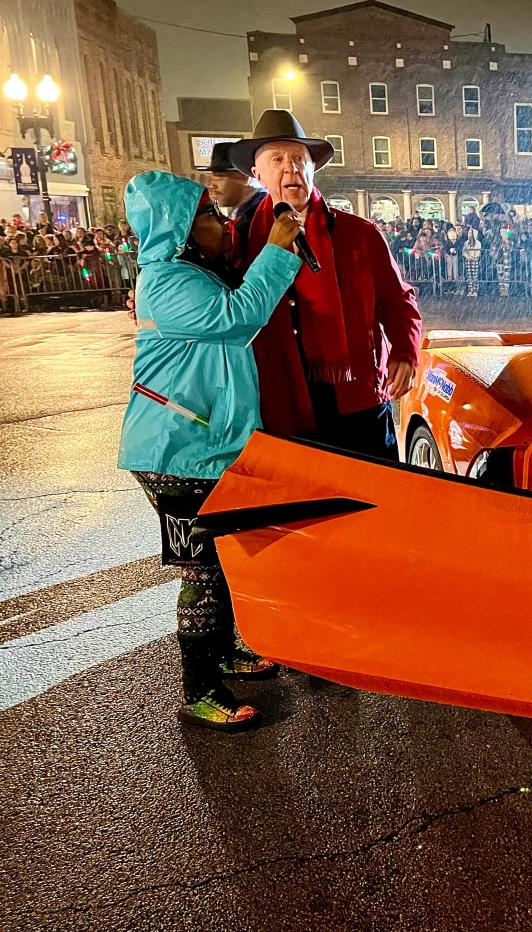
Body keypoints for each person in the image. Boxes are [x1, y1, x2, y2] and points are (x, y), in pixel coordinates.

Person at [118, 171, 304, 730]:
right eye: (206, 216)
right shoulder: (168, 280)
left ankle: (223, 654)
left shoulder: (186, 273)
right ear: (178, 229)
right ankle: (199, 688)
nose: (221, 222)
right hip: (173, 452)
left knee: (218, 564)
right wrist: (275, 251)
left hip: (197, 444)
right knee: (201, 572)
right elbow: (238, 318)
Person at [227, 110, 422, 460]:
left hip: (356, 399)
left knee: (373, 503)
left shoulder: (359, 234)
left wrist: (406, 352)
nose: (291, 168)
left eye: (300, 159)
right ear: (258, 174)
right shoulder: (239, 242)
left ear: (312, 168)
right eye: (277, 159)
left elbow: (399, 301)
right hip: (281, 403)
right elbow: (206, 303)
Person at [202, 141, 266, 225]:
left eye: (219, 177)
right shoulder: (239, 213)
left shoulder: (261, 213)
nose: (210, 185)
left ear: (243, 177)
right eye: (210, 178)